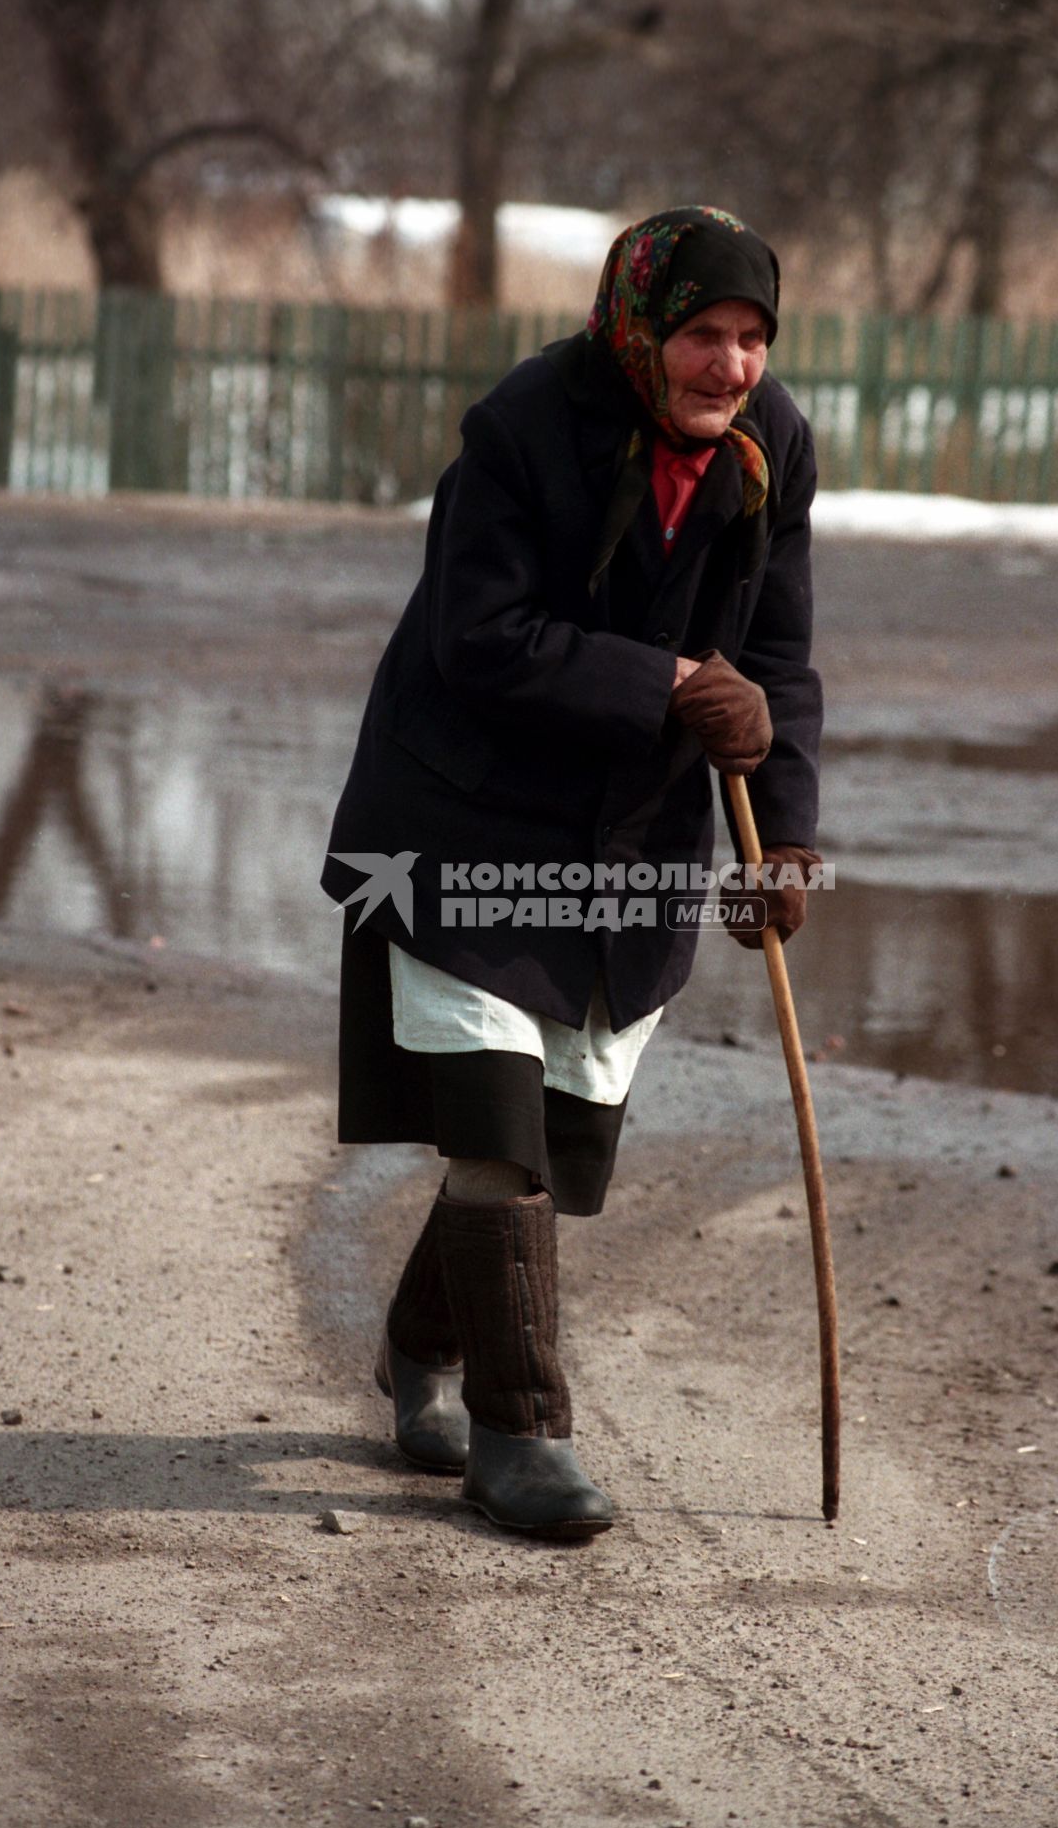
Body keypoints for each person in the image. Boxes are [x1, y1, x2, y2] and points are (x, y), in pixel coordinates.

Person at [321, 205, 823, 1541]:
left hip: (631, 845)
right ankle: (520, 1433)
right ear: (639, 327)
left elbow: (778, 664)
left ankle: (419, 1346)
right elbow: (476, 635)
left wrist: (786, 837)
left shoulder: (777, 448)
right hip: (464, 820)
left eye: (752, 339)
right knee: (494, 1124)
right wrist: (665, 679)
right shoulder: (523, 427)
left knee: (554, 1136)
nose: (729, 366)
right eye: (702, 335)